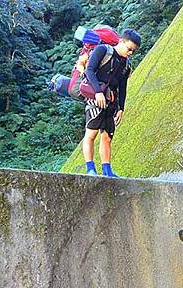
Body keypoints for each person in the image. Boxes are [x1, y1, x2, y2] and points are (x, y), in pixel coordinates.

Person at [82, 29, 141, 177]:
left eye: (133, 51)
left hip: (111, 102)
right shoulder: (103, 50)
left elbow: (123, 87)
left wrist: (121, 108)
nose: (130, 53)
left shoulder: (126, 65)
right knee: (91, 133)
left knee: (107, 136)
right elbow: (89, 71)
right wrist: (98, 92)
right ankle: (90, 169)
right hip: (95, 98)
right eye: (129, 49)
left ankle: (107, 170)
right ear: (121, 41)